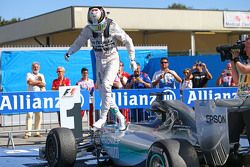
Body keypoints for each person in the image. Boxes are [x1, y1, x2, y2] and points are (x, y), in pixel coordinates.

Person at [64, 6, 137, 131]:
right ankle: (120, 117)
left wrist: (132, 59)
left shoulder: (112, 25)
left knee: (107, 85)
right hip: (99, 60)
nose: (97, 30)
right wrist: (70, 52)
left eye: (99, 27)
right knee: (103, 92)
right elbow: (79, 42)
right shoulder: (88, 29)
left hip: (112, 58)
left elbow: (127, 40)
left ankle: (103, 118)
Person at [229, 37, 250, 149]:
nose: (245, 49)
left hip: (249, 102)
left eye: (247, 46)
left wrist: (236, 59)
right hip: (240, 100)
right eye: (245, 46)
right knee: (232, 133)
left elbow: (245, 70)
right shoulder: (245, 62)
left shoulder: (244, 65)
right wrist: (232, 61)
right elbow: (237, 81)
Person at [24, 62, 46, 139]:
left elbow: (43, 85)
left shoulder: (41, 75)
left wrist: (35, 82)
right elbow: (29, 82)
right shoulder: (29, 74)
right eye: (34, 67)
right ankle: (28, 133)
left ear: (39, 68)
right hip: (30, 97)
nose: (35, 68)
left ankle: (37, 132)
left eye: (37, 67)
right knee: (29, 115)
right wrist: (38, 82)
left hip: (39, 97)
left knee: (39, 115)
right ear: (32, 67)